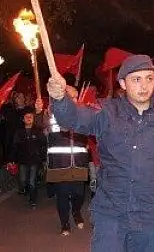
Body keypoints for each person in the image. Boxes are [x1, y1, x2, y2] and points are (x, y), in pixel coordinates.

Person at [46, 55, 154, 251]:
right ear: (123, 84)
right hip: (111, 214)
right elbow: (73, 119)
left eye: (149, 78)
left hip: (149, 216)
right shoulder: (106, 112)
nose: (144, 85)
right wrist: (60, 100)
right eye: (136, 79)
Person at [45, 85, 90, 236]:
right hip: (59, 163)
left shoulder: (83, 114)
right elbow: (41, 124)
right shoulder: (51, 114)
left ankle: (76, 212)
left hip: (79, 162)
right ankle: (64, 222)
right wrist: (40, 111)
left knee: (79, 194)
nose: (74, 100)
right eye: (71, 97)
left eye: (76, 97)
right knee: (62, 196)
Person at [10, 106, 46, 207]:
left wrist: (43, 158)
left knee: (32, 181)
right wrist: (12, 159)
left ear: (33, 118)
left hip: (34, 159)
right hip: (22, 160)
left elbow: (44, 144)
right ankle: (26, 189)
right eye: (27, 117)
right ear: (23, 119)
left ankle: (32, 199)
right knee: (23, 180)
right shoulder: (19, 132)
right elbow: (14, 146)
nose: (29, 118)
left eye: (31, 117)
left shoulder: (38, 131)